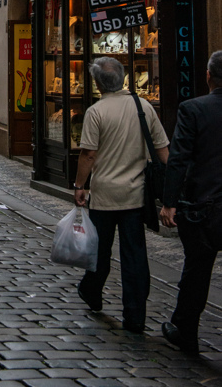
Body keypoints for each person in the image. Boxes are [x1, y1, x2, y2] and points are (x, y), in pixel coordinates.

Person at [74, 55, 169, 333]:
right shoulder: (143, 107)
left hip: (104, 195)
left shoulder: (96, 111)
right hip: (135, 195)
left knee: (99, 250)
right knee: (135, 256)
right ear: (123, 77)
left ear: (97, 82)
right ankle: (135, 315)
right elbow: (163, 151)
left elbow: (89, 154)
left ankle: (92, 292)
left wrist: (80, 187)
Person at [160, 50, 222, 353]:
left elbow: (179, 158)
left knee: (196, 271)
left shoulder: (193, 109)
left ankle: (185, 330)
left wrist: (169, 202)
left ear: (208, 76)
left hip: (203, 209)